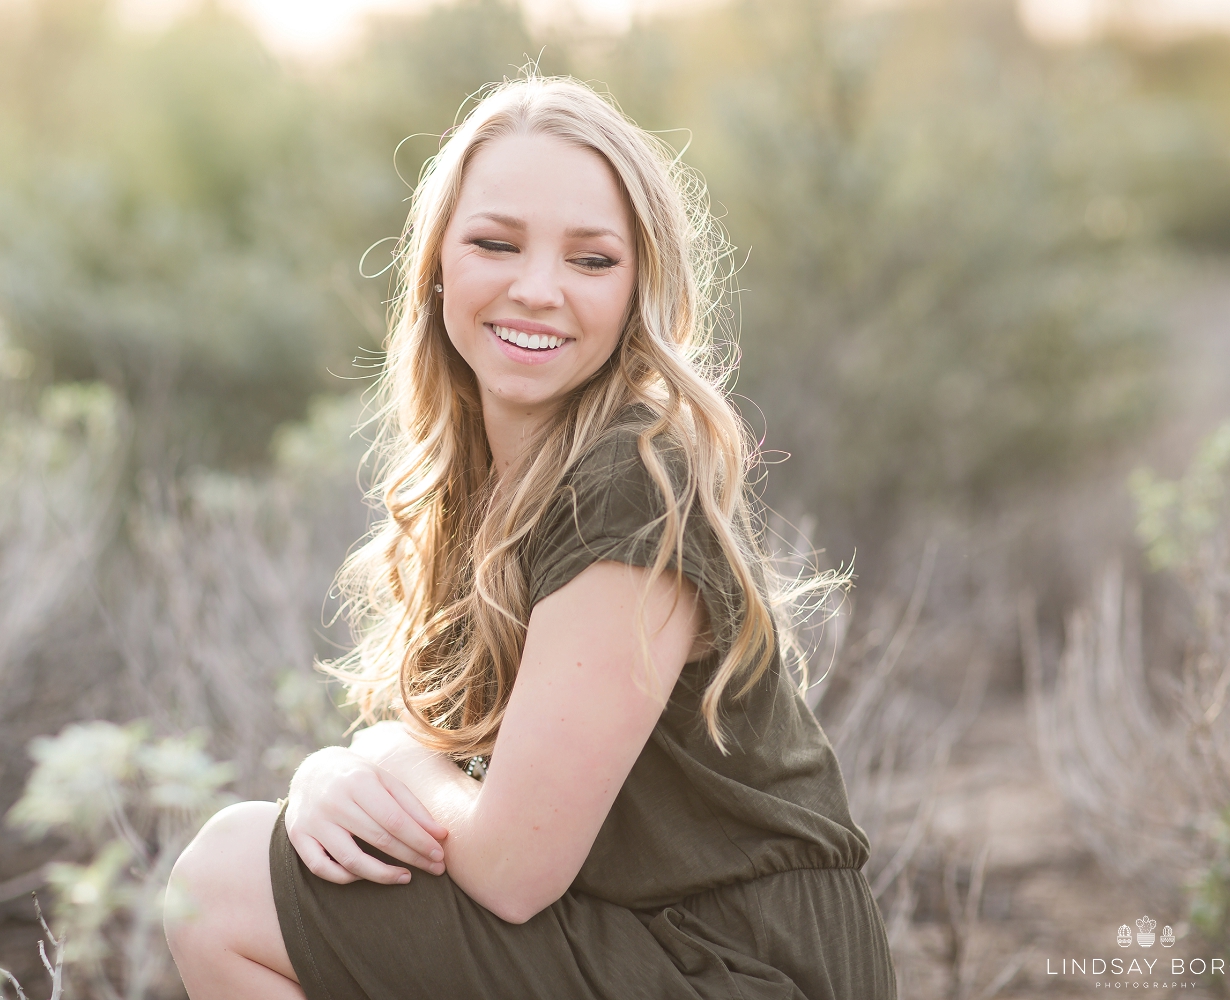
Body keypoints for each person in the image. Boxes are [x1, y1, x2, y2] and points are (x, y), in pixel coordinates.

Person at [163, 75, 896, 1000]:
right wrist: (329, 773)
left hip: (739, 969)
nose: (539, 290)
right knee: (258, 867)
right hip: (629, 941)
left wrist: (388, 757)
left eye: (592, 261)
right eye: (495, 243)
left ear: (640, 289)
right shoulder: (491, 489)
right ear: (435, 265)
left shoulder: (631, 484)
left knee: (223, 883)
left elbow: (510, 871)